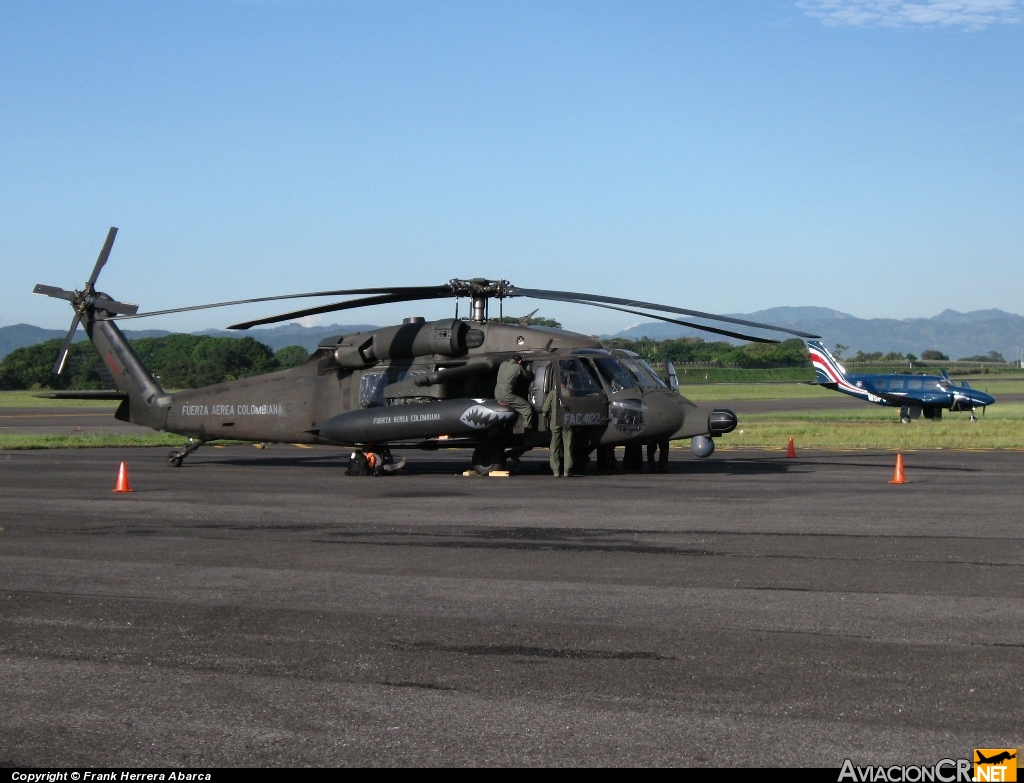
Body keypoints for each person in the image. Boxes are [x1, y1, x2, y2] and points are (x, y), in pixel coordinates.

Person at [542, 373, 576, 477]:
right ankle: (567, 470)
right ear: (566, 383)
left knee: (555, 446)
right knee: (568, 445)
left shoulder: (553, 393)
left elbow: (545, 409)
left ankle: (556, 471)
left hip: (555, 421)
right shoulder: (570, 393)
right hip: (567, 421)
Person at [495, 354, 535, 431]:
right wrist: (528, 366)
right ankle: (528, 431)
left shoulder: (503, 364)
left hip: (497, 393)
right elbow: (528, 376)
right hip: (506, 394)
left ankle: (496, 435)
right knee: (527, 408)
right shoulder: (518, 367)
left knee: (502, 413)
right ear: (519, 361)